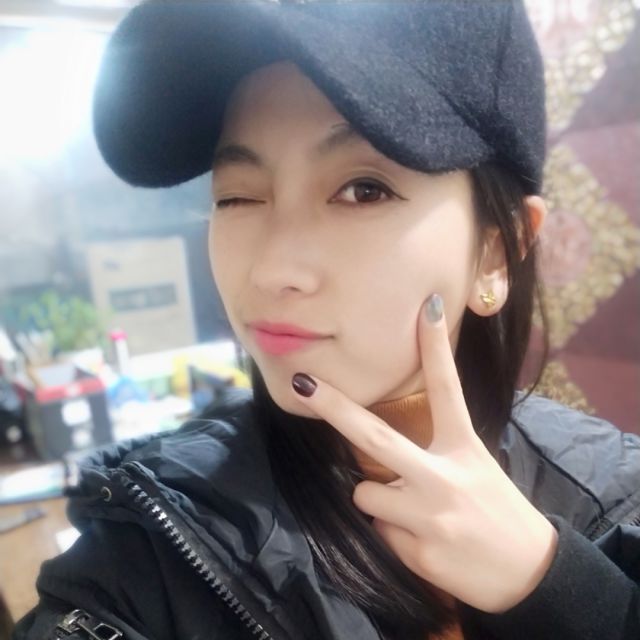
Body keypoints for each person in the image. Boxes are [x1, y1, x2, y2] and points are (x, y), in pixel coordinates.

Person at [13, 2, 640, 639]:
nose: (270, 270)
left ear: (495, 253)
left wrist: (558, 584)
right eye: (237, 196)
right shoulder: (149, 548)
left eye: (364, 189)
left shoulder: (616, 490)